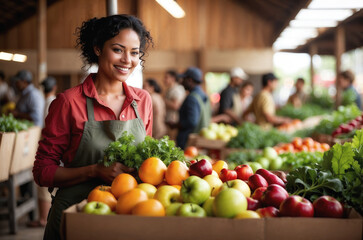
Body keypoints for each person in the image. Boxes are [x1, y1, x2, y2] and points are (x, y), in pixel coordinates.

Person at [32, 15, 153, 239]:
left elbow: (147, 164)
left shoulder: (142, 101)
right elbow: (42, 171)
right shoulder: (68, 102)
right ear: (98, 48)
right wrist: (94, 171)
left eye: (134, 52)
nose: (127, 60)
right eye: (118, 49)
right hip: (75, 215)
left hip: (126, 216)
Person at [26, 76, 58, 228]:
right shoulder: (54, 102)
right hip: (52, 146)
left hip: (46, 145)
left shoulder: (46, 103)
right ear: (54, 88)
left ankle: (43, 219)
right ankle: (45, 217)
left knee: (43, 186)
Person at [177, 67, 211, 149]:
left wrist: (177, 125)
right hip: (200, 140)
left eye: (184, 79)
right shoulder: (204, 95)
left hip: (189, 142)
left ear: (190, 80)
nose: (182, 82)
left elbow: (192, 122)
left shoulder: (192, 98)